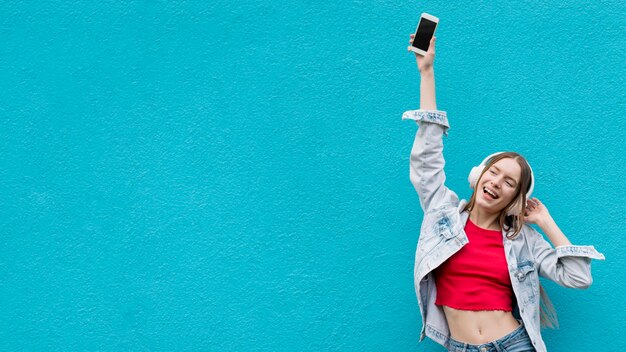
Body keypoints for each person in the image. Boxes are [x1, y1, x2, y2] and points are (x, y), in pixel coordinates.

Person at [403, 34, 606, 352]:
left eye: (509, 183)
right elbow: (427, 157)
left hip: (514, 344)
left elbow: (577, 277)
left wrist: (545, 220)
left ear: (515, 199)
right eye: (494, 172)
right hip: (460, 346)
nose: (497, 182)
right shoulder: (442, 212)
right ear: (478, 177)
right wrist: (426, 72)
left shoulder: (523, 239)